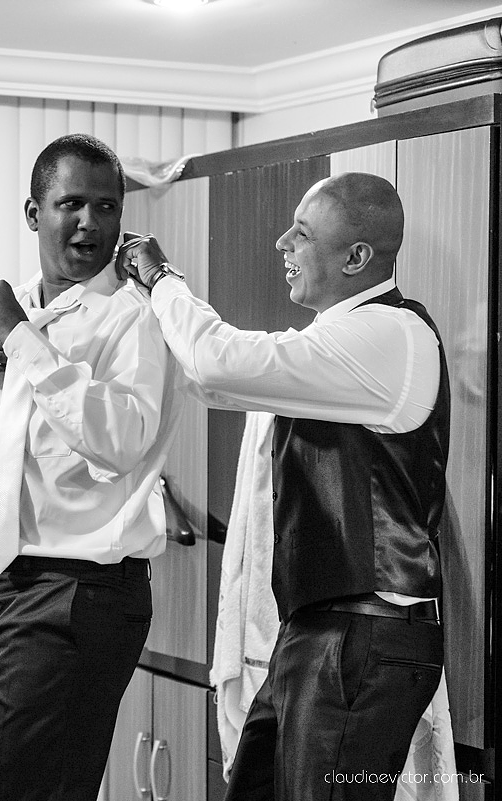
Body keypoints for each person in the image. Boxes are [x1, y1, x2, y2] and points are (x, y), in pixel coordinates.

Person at [122, 171, 447, 801]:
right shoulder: (333, 340)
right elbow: (218, 382)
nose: (279, 244)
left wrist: (163, 280)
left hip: (365, 640)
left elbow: (222, 361)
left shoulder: (391, 335)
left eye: (300, 234)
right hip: (318, 633)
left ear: (356, 257)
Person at [0, 133, 180, 801]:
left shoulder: (132, 321)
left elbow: (117, 440)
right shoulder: (19, 312)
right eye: (70, 204)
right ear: (34, 214)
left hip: (77, 595)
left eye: (106, 206)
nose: (89, 222)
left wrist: (21, 339)